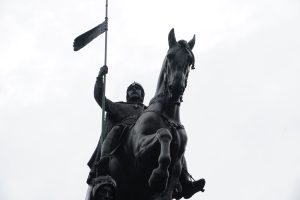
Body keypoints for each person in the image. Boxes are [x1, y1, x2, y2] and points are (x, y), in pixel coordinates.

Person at [87, 65, 204, 199]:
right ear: (127, 94)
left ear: (143, 95)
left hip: (148, 134)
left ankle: (185, 179)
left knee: (175, 141)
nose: (135, 91)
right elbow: (99, 98)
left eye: (138, 89)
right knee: (114, 132)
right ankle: (103, 168)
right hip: (125, 129)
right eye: (131, 89)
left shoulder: (150, 110)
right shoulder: (119, 106)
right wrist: (99, 78)